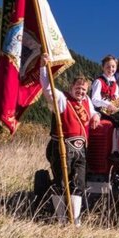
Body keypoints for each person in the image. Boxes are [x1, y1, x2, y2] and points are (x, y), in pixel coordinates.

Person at [40, 57, 100, 225]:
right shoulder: (62, 99)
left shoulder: (87, 101)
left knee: (78, 183)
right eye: (78, 88)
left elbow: (94, 110)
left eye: (84, 89)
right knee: (60, 182)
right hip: (63, 146)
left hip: (81, 149)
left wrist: (96, 115)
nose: (81, 91)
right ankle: (61, 219)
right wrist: (44, 68)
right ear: (71, 87)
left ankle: (74, 220)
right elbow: (47, 88)